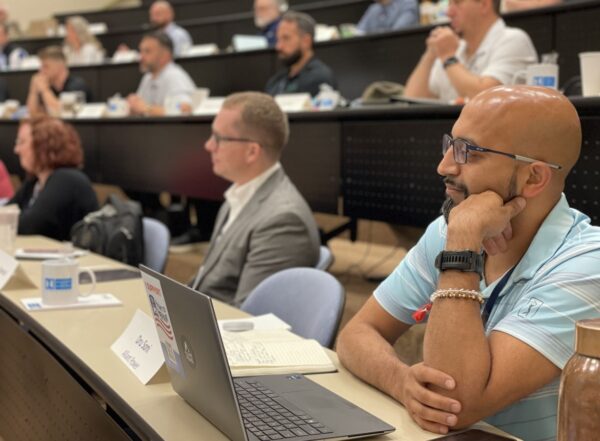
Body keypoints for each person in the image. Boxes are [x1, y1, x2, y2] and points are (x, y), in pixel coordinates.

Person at [337, 85, 600, 440]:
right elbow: (355, 335)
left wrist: (461, 249)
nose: (444, 166)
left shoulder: (588, 263)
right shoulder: (449, 227)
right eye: (450, 144)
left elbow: (453, 402)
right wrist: (401, 382)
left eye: (469, 153)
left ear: (534, 177)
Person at [190, 91, 321, 306]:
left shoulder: (283, 220)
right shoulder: (238, 193)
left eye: (219, 138)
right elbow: (205, 284)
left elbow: (248, 318)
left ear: (252, 152)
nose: (208, 145)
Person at [404, 0, 537, 103]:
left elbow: (486, 99)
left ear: (484, 4)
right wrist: (430, 55)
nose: (449, 13)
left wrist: (448, 58)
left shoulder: (513, 39)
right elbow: (411, 98)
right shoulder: (453, 47)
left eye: (457, 2)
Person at [9, 117, 98, 241]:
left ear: (44, 145)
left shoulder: (66, 180)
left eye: (22, 142)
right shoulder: (34, 182)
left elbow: (28, 226)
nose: (16, 150)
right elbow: (6, 213)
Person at [265, 11, 338, 97]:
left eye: (286, 38)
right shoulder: (275, 81)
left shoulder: (321, 78)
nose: (278, 46)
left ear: (306, 41)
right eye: (278, 39)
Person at [127, 31, 196, 116]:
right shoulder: (148, 77)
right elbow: (140, 107)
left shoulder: (174, 76)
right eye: (141, 51)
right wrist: (133, 106)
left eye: (147, 51)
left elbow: (184, 109)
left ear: (165, 55)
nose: (141, 57)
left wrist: (147, 108)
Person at [26, 46, 92, 117]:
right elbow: (32, 112)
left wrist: (44, 90)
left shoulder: (77, 85)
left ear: (60, 66)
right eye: (41, 66)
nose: (41, 71)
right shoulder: (48, 85)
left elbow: (62, 111)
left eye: (46, 66)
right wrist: (33, 90)